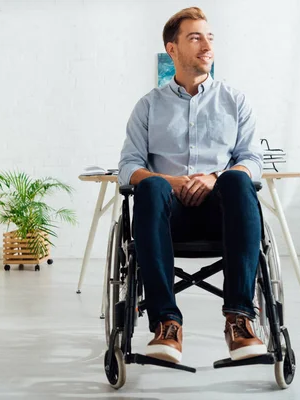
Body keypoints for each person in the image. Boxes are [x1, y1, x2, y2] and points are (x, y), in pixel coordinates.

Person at [117, 6, 266, 364]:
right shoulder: (149, 106)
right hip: (167, 218)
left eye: (210, 37)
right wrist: (169, 181)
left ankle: (240, 319)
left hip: (223, 212)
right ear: (173, 49)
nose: (207, 45)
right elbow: (127, 168)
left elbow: (253, 160)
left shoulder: (235, 101)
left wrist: (214, 178)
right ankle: (166, 324)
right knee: (150, 187)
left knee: (237, 179)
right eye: (195, 37)